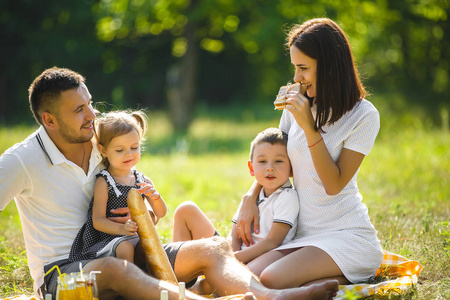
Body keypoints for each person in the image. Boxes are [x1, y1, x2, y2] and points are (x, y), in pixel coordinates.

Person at [0, 66, 339, 300]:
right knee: (117, 269)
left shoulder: (99, 138)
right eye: (79, 110)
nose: (91, 115)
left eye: (90, 104)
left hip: (125, 251)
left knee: (213, 247)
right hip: (62, 276)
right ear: (49, 119)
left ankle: (270, 297)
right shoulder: (21, 160)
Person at [236, 18, 384, 289]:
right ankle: (315, 280)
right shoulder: (297, 105)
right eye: (295, 68)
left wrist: (309, 127)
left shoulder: (364, 115)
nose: (296, 78)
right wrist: (251, 195)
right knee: (250, 273)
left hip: (346, 234)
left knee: (270, 279)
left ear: (329, 68)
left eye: (303, 68)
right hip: (303, 235)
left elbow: (334, 184)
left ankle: (344, 278)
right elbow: (278, 160)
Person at [173, 127, 299, 274]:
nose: (270, 168)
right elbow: (235, 235)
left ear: (291, 168)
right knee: (186, 209)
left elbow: (272, 242)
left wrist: (231, 260)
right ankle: (177, 275)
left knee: (213, 283)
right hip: (232, 257)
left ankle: (193, 286)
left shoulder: (287, 197)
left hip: (257, 262)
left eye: (278, 161)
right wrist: (225, 259)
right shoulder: (252, 198)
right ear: (251, 168)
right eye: (262, 161)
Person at [69, 110, 167, 264]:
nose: (129, 154)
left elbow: (161, 213)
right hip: (111, 239)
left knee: (151, 244)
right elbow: (98, 221)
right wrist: (122, 230)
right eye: (120, 150)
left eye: (134, 148)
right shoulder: (105, 182)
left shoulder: (142, 180)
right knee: (125, 247)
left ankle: (149, 279)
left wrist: (156, 197)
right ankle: (129, 282)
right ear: (103, 150)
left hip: (136, 235)